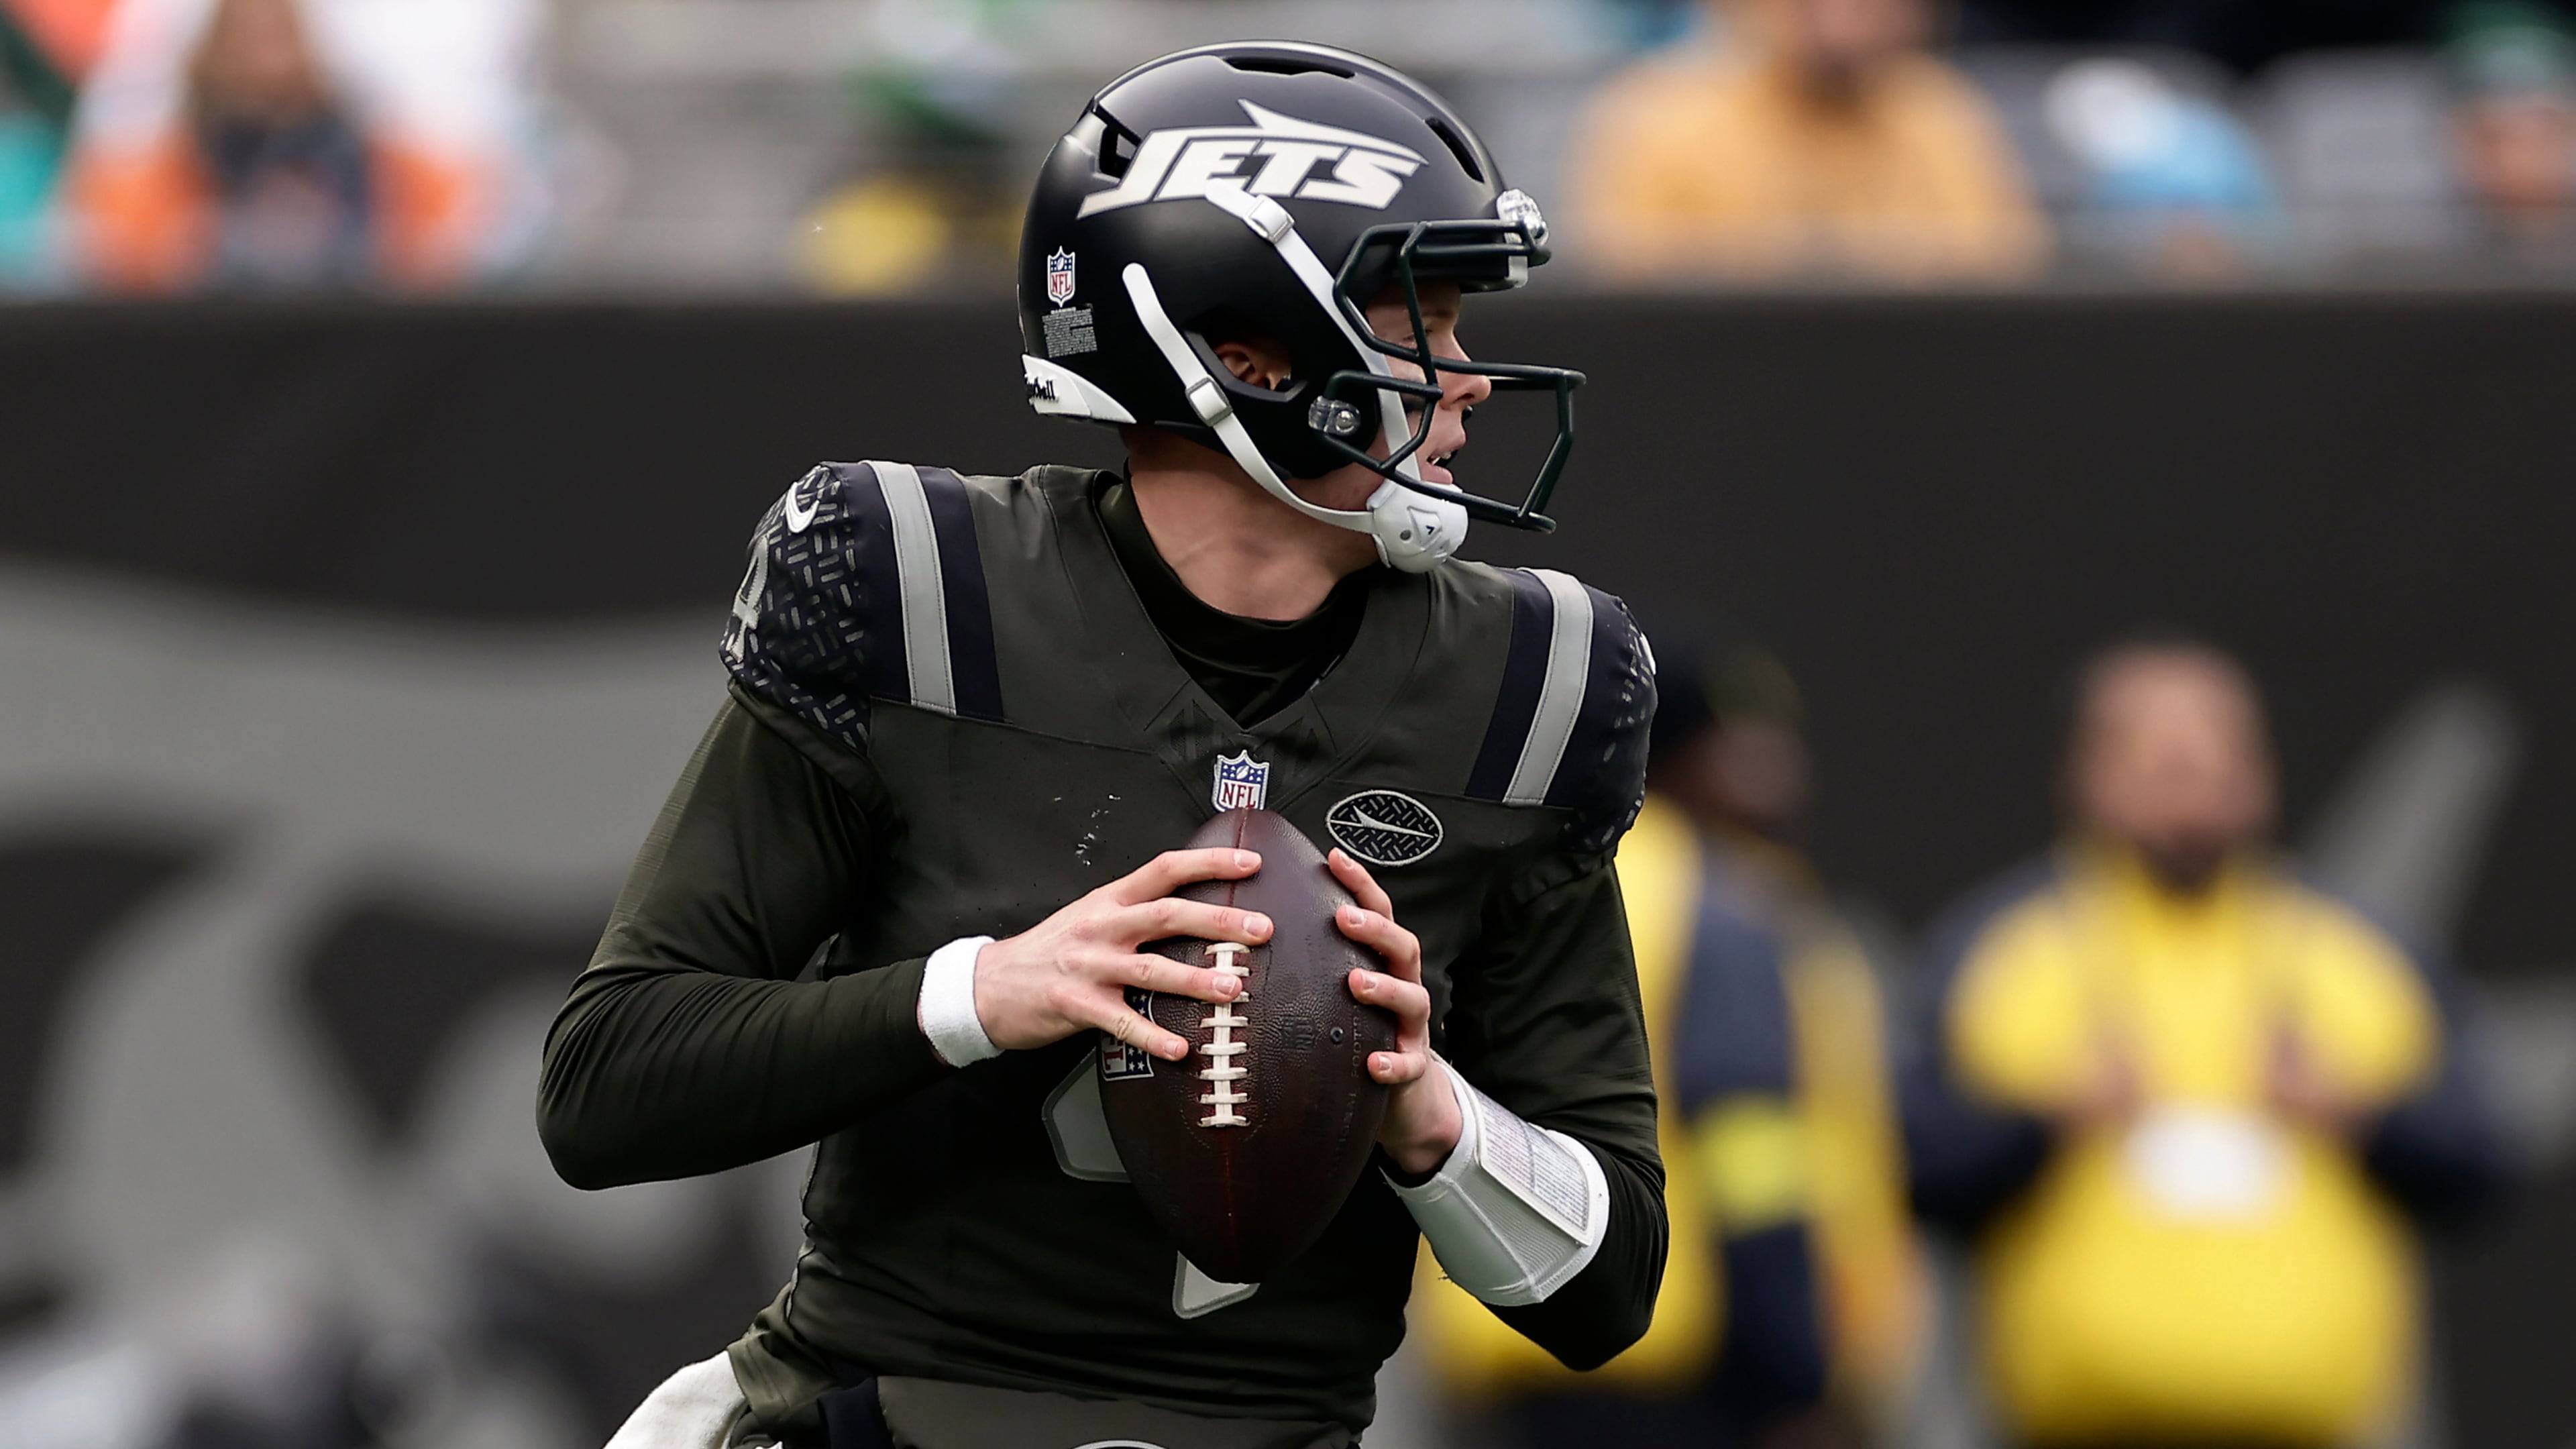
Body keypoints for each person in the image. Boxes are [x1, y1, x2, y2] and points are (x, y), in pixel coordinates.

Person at [538, 42, 1665, 1449]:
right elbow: (604, 1088)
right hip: (892, 1417)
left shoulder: (1530, 684)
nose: (1472, 378)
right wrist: (986, 993)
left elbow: (1612, 1289)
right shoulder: (917, 594)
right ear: (1247, 353)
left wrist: (1428, 1113)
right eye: (1418, 318)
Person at [1902, 633, 2500, 1449]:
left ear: (2262, 771)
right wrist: (2041, 1121)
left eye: (2217, 752)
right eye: (2158, 758)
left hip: (2313, 1427)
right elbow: (1907, 1163)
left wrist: (2362, 1115)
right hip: (2076, 1426)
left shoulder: (2362, 955)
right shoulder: (2000, 950)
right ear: (2085, 772)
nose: (2192, 778)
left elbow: (2481, 1160)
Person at [1412, 637, 1919, 1448]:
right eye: (1744, 741)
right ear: (1678, 750)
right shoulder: (1720, 904)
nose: (1780, 770)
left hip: (1502, 1332)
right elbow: (1752, 1152)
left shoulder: (1517, 873)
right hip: (1669, 1369)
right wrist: (1794, 1373)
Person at [1569, 0, 2047, 285]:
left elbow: (2004, 272)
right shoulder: (1660, 117)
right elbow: (1628, 288)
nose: (1846, 14)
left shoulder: (1942, 115)